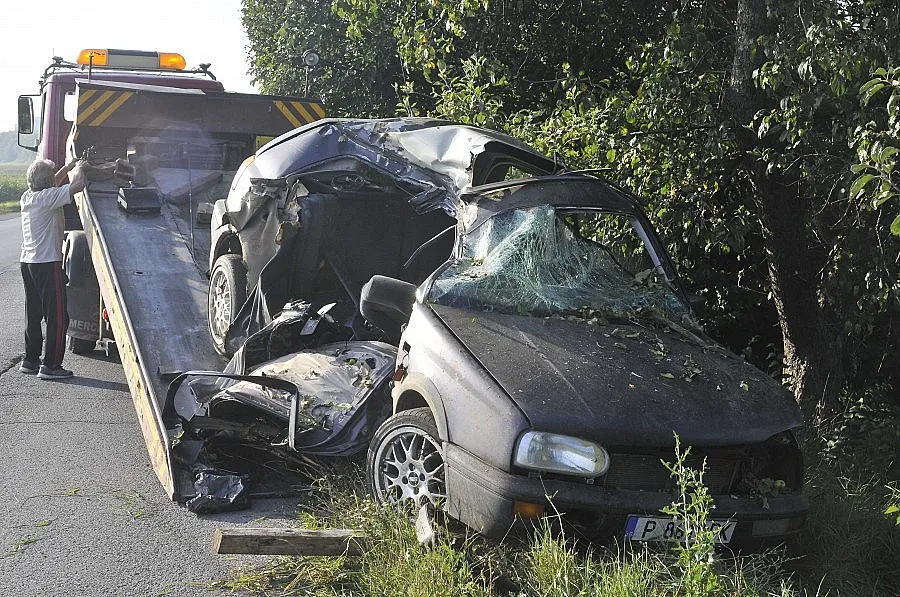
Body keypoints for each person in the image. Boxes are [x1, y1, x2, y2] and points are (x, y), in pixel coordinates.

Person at [18, 157, 85, 380]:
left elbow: (51, 185)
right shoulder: (48, 198)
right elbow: (78, 186)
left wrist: (67, 167)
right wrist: (82, 168)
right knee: (58, 317)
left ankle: (30, 360)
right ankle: (51, 366)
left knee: (34, 313)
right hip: (47, 264)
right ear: (46, 181)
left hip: (28, 263)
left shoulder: (28, 197)